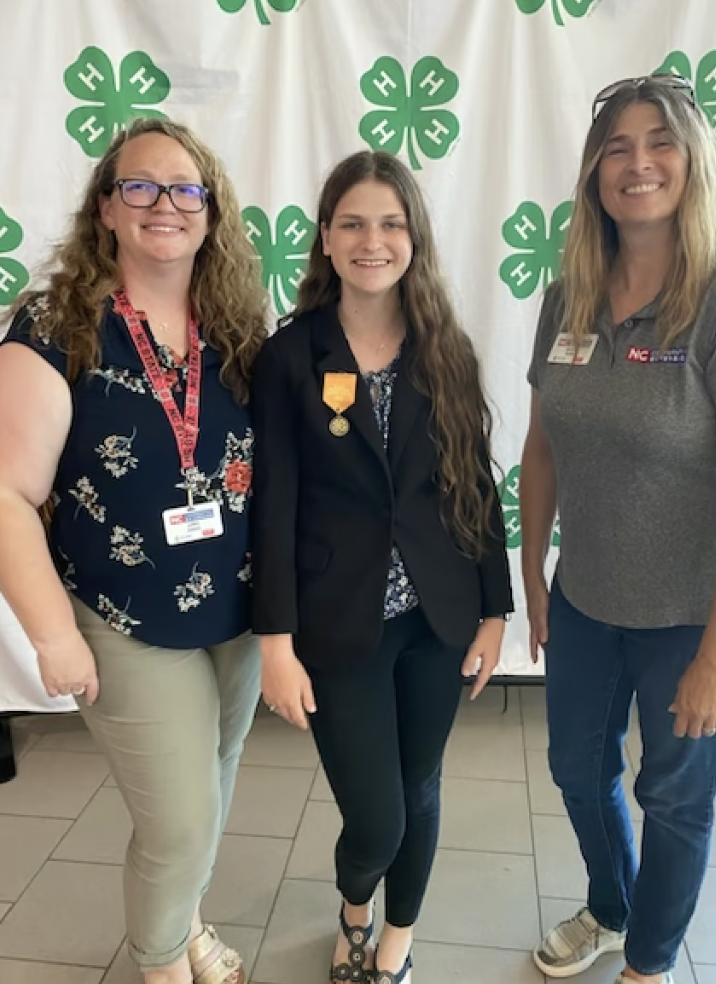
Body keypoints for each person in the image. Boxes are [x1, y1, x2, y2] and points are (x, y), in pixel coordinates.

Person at [0, 118, 268, 984]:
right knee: (176, 822)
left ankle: (187, 922)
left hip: (234, 611)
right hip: (121, 616)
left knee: (208, 788)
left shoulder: (236, 321)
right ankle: (161, 962)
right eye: (140, 185)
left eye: (185, 189)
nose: (163, 204)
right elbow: (0, 489)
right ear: (106, 206)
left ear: (211, 213)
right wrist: (53, 637)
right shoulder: (58, 328)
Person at [520, 74, 716, 984]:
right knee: (577, 770)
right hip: (587, 595)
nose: (638, 164)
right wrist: (533, 577)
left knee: (672, 795)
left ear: (693, 161)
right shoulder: (570, 296)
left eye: (658, 142)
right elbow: (542, 450)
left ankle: (650, 963)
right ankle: (613, 906)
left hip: (692, 615)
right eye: (616, 147)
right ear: (593, 174)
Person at [250, 150, 513, 984]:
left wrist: (495, 611)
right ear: (325, 239)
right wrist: (275, 642)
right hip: (337, 628)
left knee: (421, 789)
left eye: (391, 223)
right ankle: (354, 901)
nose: (374, 240)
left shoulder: (445, 348)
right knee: (375, 818)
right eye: (354, 223)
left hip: (437, 620)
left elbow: (476, 481)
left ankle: (394, 936)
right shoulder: (291, 358)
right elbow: (273, 507)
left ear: (415, 238)